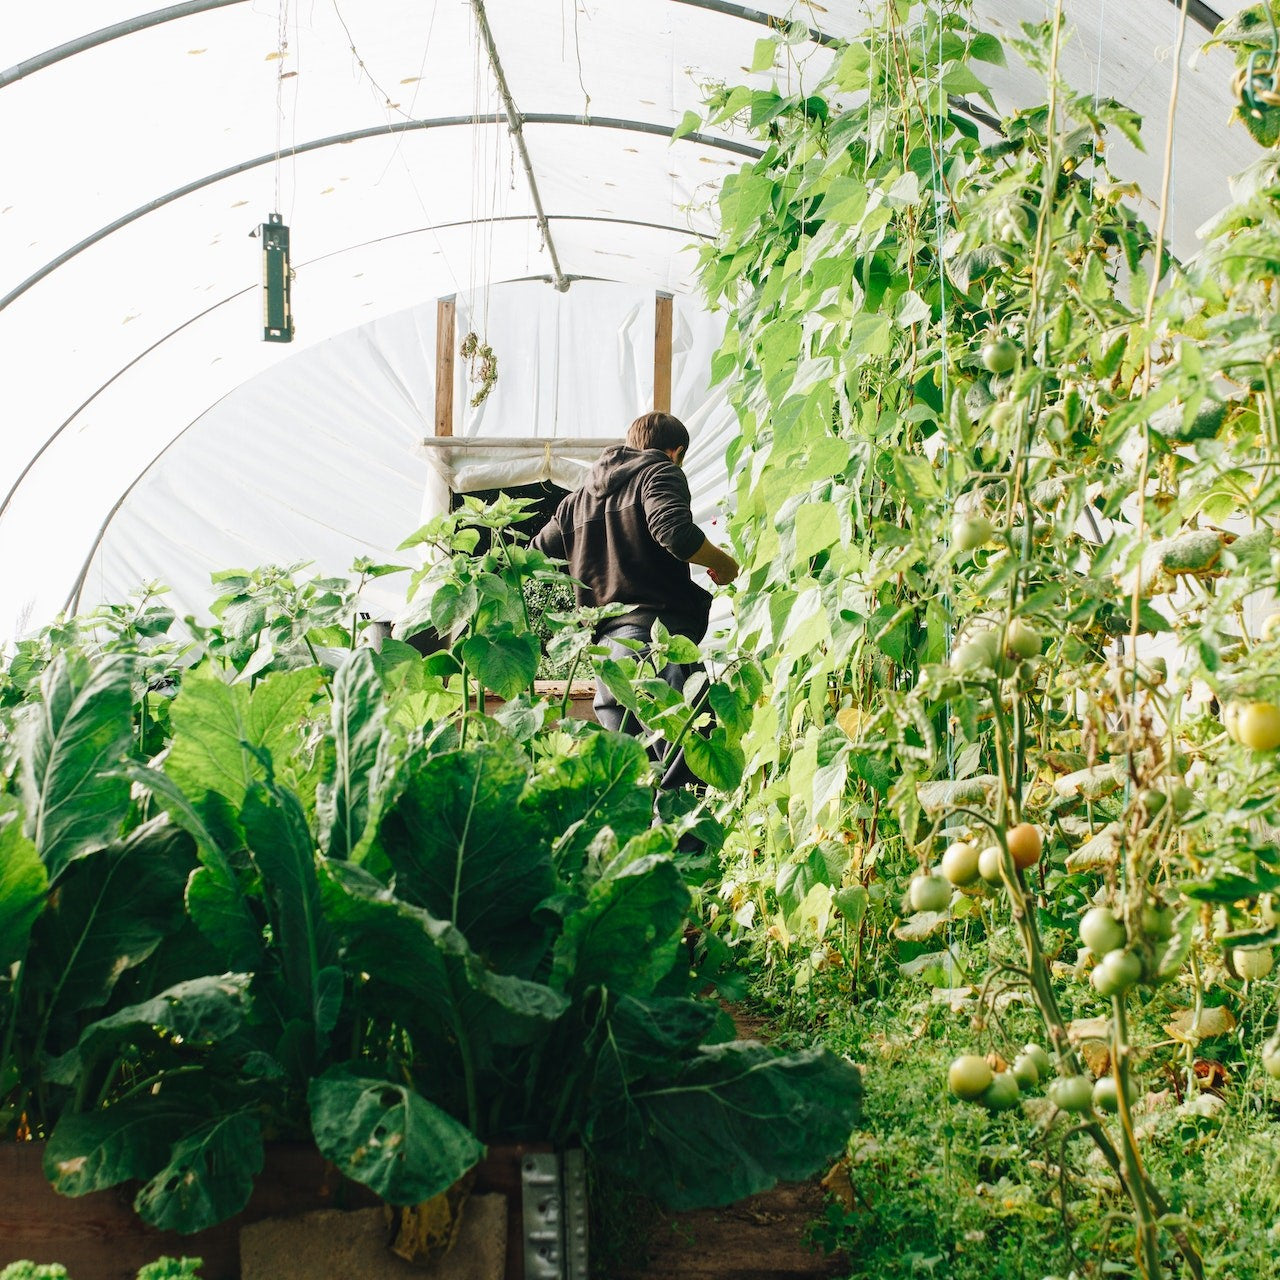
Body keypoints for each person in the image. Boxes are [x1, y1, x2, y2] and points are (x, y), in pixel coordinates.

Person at [531, 410, 739, 786]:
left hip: (606, 660)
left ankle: (647, 847)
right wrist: (724, 565)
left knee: (635, 779)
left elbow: (533, 559)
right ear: (675, 452)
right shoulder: (659, 472)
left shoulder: (575, 501)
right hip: (654, 646)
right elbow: (674, 533)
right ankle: (686, 848)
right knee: (688, 763)